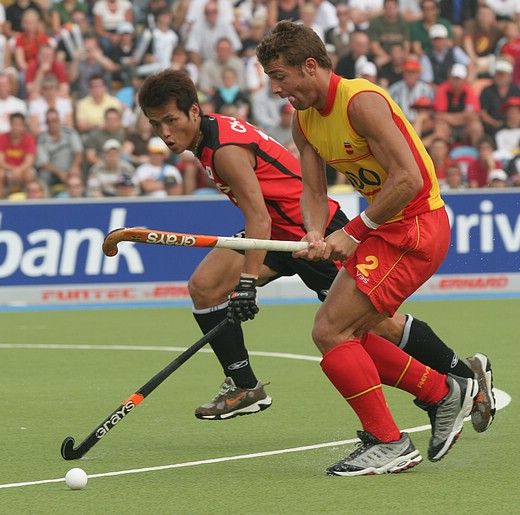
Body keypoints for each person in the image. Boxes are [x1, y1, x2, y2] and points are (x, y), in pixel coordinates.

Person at [137, 69, 494, 471]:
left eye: (170, 121)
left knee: (373, 327)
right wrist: (243, 281)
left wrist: (247, 284)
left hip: (313, 236)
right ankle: (244, 385)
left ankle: (461, 378)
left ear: (194, 111)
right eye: (156, 124)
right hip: (287, 236)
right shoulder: (209, 138)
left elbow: (259, 219)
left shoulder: (224, 150)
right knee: (205, 287)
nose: (165, 133)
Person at [256, 20, 489, 475]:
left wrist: (354, 230)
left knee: (329, 331)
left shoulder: (360, 101)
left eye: (280, 77)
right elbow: (314, 191)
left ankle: (392, 441)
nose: (277, 89)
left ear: (310, 66)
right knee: (354, 334)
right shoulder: (302, 118)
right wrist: (314, 233)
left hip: (417, 227)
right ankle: (444, 392)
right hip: (389, 230)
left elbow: (409, 178)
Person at [36, 107, 83, 196]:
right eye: (49, 121)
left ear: (59, 120)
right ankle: (46, 201)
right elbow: (43, 163)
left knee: (78, 172)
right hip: (53, 172)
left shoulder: (70, 132)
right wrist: (60, 173)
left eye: (55, 120)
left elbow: (78, 152)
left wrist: (75, 166)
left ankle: (80, 199)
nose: (52, 124)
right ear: (46, 123)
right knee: (43, 175)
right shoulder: (42, 139)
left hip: (71, 168)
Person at [0, 112, 36, 199]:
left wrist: (19, 170)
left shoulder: (29, 139)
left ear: (23, 126)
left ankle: (30, 202)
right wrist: (13, 170)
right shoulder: (2, 138)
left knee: (29, 174)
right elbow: (1, 161)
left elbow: (29, 161)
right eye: (14, 124)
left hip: (23, 169)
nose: (16, 127)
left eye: (19, 125)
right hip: (7, 169)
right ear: (10, 125)